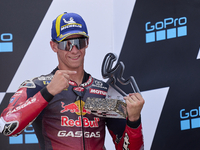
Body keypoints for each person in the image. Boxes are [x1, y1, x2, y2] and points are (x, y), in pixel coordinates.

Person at [0, 12, 144, 150]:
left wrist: (134, 120)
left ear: (87, 43)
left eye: (79, 42)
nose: (74, 50)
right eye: (67, 44)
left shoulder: (103, 91)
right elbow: (7, 125)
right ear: (54, 46)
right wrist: (48, 92)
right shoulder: (38, 86)